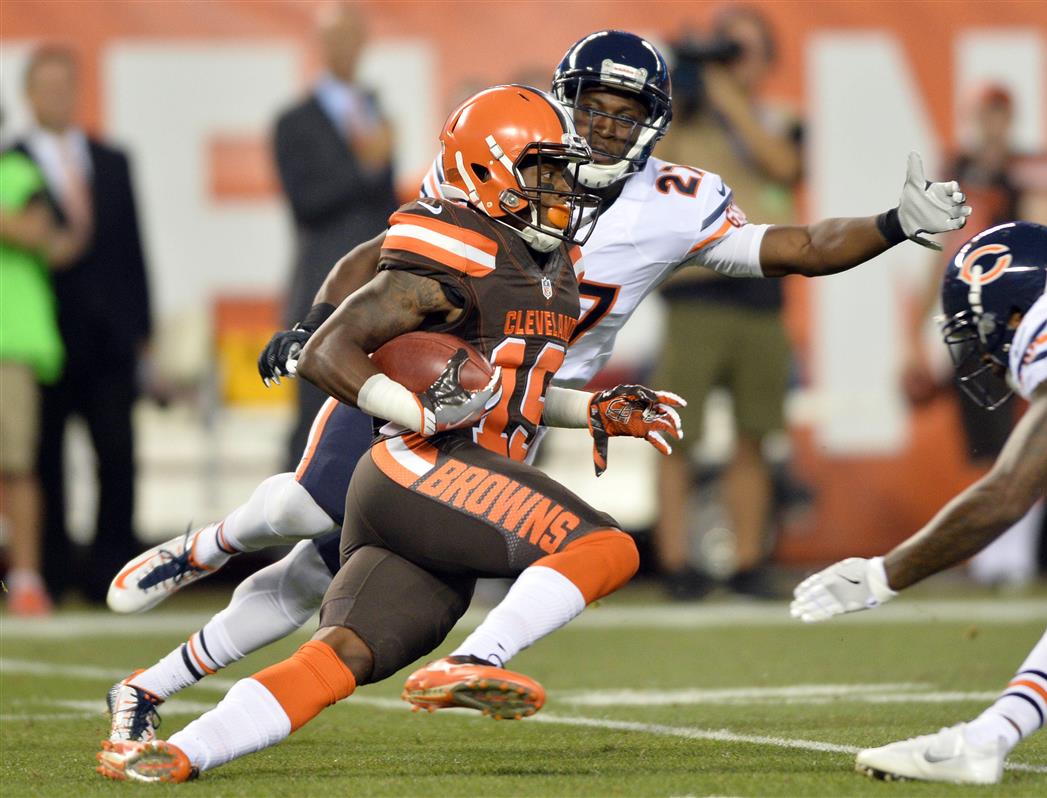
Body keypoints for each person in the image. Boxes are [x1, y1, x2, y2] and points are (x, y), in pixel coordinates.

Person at [103, 31, 970, 745]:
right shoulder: (516, 156)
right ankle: (210, 545)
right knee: (306, 508)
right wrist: (319, 323)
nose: (599, 126)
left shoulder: (674, 199)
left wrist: (895, 225)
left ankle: (151, 694)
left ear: (654, 127)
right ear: (563, 100)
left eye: (622, 114)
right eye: (590, 105)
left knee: (314, 577)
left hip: (515, 407)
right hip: (425, 374)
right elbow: (385, 254)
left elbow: (804, 246)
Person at [97, 82, 683, 782]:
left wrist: (588, 410)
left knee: (339, 648)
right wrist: (412, 408)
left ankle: (176, 751)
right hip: (416, 458)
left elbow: (510, 388)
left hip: (450, 479)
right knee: (601, 545)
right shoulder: (458, 235)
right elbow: (338, 331)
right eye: (546, 171)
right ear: (491, 171)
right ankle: (466, 656)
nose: (563, 187)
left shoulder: (555, 269)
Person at [790, 221, 1047, 785]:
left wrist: (884, 574)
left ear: (1012, 314)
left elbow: (1009, 492)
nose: (978, 349)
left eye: (976, 329)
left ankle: (984, 741)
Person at [653, 7, 804, 599]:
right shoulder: (683, 119)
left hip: (763, 292)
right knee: (675, 434)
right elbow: (653, 170)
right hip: (695, 293)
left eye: (740, 53)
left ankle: (746, 559)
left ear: (766, 60)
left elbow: (783, 166)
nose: (730, 65)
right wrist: (685, 92)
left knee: (755, 432)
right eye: (723, 53)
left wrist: (726, 96)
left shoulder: (778, 118)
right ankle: (674, 563)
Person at [900, 84, 1047, 587]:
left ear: (1009, 118)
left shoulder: (1028, 170)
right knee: (987, 443)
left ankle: (1014, 555)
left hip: (1019, 314)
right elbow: (943, 247)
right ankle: (996, 551)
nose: (993, 124)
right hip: (973, 317)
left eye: (1000, 114)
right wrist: (912, 336)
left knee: (1026, 435)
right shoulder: (962, 169)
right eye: (986, 114)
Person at [12, 45, 153, 603]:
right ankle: (50, 571)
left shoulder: (112, 159)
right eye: (45, 87)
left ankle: (113, 576)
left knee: (117, 457)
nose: (57, 97)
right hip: (44, 338)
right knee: (44, 460)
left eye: (64, 86)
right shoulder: (11, 162)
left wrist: (142, 332)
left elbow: (133, 253)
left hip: (110, 340)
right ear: (29, 95)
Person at [273, 2, 397, 468]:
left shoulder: (373, 111)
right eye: (336, 38)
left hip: (378, 289)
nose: (346, 48)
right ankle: (289, 524)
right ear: (321, 45)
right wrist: (366, 164)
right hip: (322, 287)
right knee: (313, 418)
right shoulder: (294, 122)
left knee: (370, 413)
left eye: (353, 37)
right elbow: (306, 203)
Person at [0, 143, 88, 615]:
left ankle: (27, 579)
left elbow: (41, 232)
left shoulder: (16, 172)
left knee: (16, 463)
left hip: (8, 342)